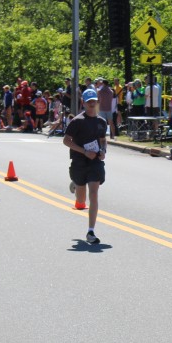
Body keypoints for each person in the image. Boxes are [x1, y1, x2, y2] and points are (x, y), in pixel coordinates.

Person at [62, 89, 107, 244]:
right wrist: (84, 151)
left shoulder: (101, 121)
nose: (91, 103)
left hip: (95, 162)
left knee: (93, 194)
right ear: (83, 103)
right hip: (79, 162)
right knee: (81, 199)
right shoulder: (77, 121)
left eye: (93, 100)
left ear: (97, 101)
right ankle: (76, 184)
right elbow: (66, 140)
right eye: (89, 101)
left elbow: (103, 140)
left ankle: (91, 231)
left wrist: (103, 151)